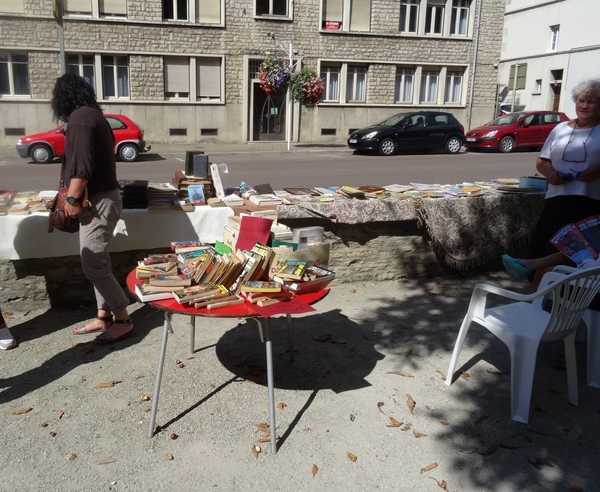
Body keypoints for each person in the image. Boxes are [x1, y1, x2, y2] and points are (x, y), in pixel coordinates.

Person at [50, 73, 133, 343]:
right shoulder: (92, 116)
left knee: (92, 264)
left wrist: (71, 199)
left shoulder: (80, 118)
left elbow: (82, 165)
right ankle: (104, 315)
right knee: (99, 261)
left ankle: (123, 317)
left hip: (96, 200)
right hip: (101, 198)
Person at [527, 78, 600, 261]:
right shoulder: (559, 129)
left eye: (591, 102)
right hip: (557, 199)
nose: (584, 106)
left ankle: (575, 291)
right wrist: (551, 173)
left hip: (591, 202)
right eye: (581, 101)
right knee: (547, 248)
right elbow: (542, 161)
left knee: (581, 255)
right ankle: (538, 289)